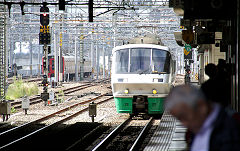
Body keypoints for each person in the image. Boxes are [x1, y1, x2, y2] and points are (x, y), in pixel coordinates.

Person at [165, 85, 240, 151]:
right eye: (179, 119)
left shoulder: (231, 131)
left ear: (202, 107)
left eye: (184, 117)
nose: (184, 124)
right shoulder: (198, 127)